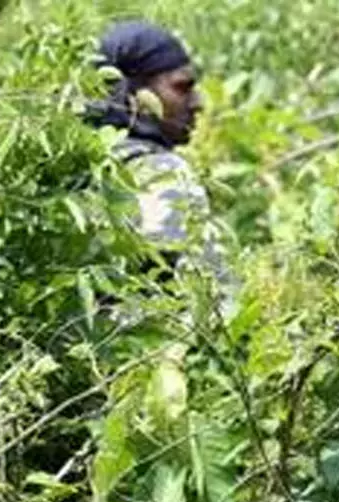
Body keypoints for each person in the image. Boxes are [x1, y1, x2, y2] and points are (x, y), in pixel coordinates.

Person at [84, 20, 234, 313]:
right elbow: (210, 301)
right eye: (182, 87)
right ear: (134, 95)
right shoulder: (161, 172)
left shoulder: (69, 165)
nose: (197, 103)